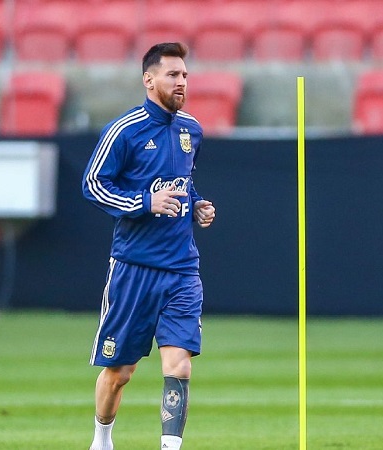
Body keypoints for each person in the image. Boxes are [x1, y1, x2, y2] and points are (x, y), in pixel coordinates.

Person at [82, 42, 216, 450]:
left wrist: (196, 206)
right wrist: (144, 202)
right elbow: (93, 184)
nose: (182, 82)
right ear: (149, 79)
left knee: (179, 366)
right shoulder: (125, 130)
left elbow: (183, 184)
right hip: (133, 268)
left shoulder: (191, 129)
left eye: (185, 75)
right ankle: (102, 438)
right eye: (173, 75)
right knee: (119, 373)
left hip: (182, 269)